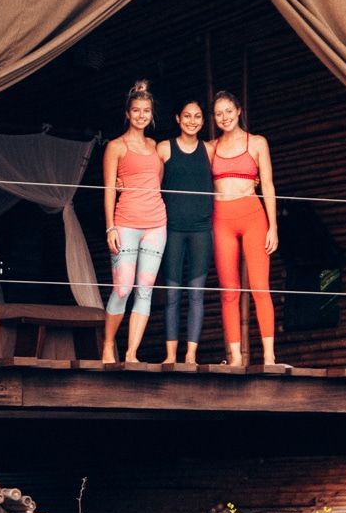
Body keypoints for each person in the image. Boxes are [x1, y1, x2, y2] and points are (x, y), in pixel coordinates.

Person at [209, 90, 279, 368]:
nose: (224, 117)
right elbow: (177, 158)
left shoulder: (258, 142)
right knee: (229, 291)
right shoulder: (210, 147)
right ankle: (235, 357)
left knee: (260, 288)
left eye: (228, 110)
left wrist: (273, 226)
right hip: (221, 218)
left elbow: (269, 185)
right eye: (218, 113)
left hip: (253, 215)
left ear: (238, 111)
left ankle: (270, 356)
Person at [101, 80, 166, 364]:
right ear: (127, 113)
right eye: (136, 110)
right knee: (123, 287)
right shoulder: (116, 146)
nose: (141, 115)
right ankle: (108, 344)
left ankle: (131, 353)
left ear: (152, 115)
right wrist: (110, 227)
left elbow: (157, 182)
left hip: (156, 224)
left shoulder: (154, 146)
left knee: (145, 290)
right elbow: (108, 189)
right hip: (125, 222)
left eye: (146, 111)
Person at [158, 100, 214, 367]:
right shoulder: (164, 148)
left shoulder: (210, 150)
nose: (192, 121)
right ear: (178, 118)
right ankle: (171, 355)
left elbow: (228, 174)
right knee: (171, 295)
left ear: (203, 121)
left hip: (202, 229)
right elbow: (148, 179)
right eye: (187, 116)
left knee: (196, 294)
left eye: (198, 117)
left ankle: (190, 354)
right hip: (171, 230)